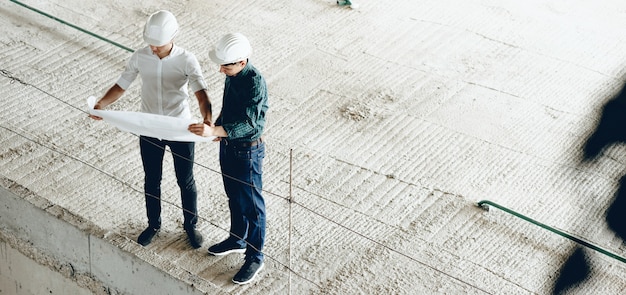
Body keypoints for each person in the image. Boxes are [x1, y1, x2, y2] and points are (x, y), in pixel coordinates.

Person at [89, 10, 212, 249]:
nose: (153, 48)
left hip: (179, 127)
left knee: (185, 180)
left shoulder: (187, 59)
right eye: (150, 44)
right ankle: (153, 224)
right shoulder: (140, 56)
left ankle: (190, 225)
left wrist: (207, 119)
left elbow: (201, 93)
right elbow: (122, 84)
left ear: (173, 37)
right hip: (150, 127)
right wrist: (101, 105)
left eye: (158, 44)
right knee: (151, 179)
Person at [188, 32, 268, 285]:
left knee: (253, 206)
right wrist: (218, 126)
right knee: (233, 194)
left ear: (242, 62)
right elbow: (229, 107)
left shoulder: (255, 83)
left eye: (226, 65)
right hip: (230, 145)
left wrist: (217, 131)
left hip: (247, 150)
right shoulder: (233, 76)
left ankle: (255, 256)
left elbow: (249, 122)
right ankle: (237, 238)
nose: (221, 70)